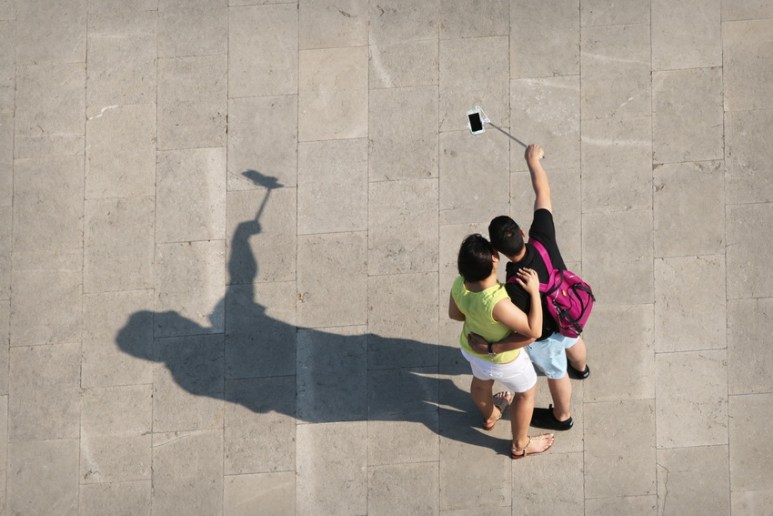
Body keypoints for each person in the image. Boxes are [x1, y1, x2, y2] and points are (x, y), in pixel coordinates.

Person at [482, 143, 590, 432]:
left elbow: (525, 324)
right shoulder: (543, 236)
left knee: (556, 373)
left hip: (547, 335)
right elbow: (543, 194)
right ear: (521, 232)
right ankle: (581, 369)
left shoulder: (514, 282)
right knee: (574, 343)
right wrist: (533, 161)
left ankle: (562, 417)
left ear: (500, 251)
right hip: (570, 311)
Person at [449, 233, 554, 458]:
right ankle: (520, 445)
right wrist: (534, 291)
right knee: (526, 393)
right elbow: (533, 330)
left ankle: (490, 415)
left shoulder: (459, 284)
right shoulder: (497, 301)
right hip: (506, 360)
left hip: (472, 349)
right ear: (493, 263)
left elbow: (455, 314)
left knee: (480, 384)